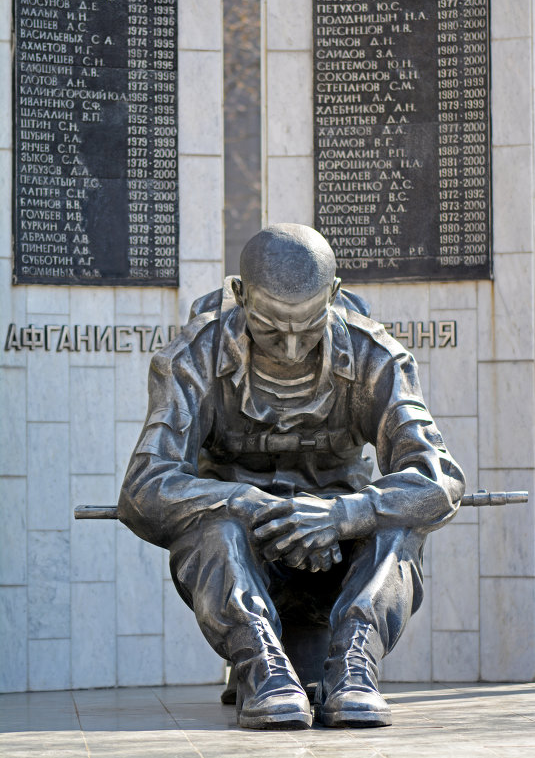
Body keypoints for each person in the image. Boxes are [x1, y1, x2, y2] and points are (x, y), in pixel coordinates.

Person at [118, 223, 464, 730]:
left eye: (310, 325)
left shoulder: (377, 356)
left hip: (341, 553)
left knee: (397, 522)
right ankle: (261, 668)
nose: (293, 348)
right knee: (215, 527)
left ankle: (355, 665)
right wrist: (247, 503)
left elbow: (438, 478)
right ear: (239, 294)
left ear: (335, 295)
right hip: (243, 555)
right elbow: (144, 487)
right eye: (270, 328)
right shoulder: (192, 358)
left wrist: (344, 515)